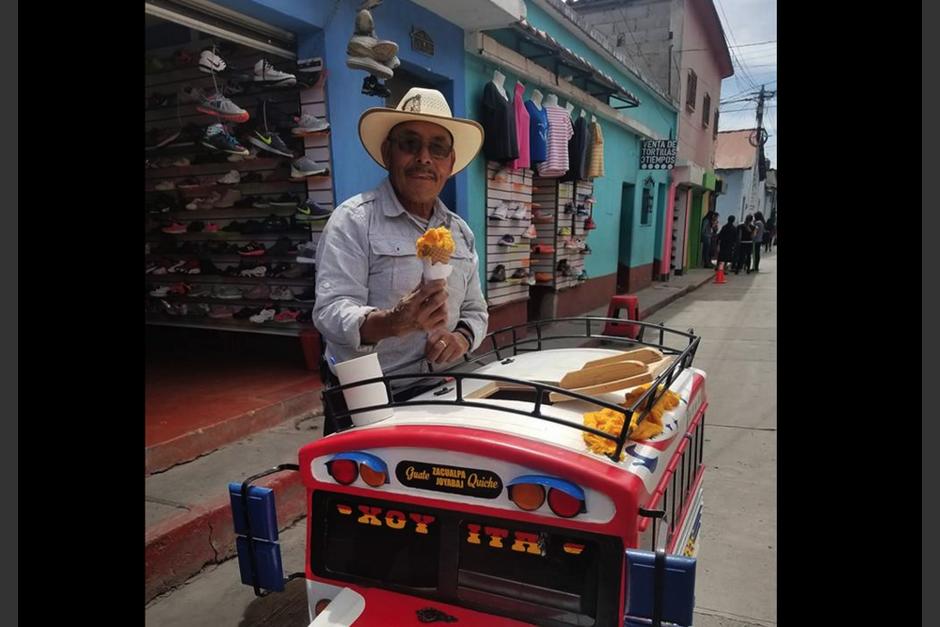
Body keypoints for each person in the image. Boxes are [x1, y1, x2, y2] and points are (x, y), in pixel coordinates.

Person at [313, 88, 488, 432]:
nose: (424, 157)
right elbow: (330, 312)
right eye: (410, 143)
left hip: (441, 392)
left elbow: (475, 310)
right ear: (387, 153)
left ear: (450, 164)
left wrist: (461, 339)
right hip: (370, 398)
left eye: (437, 148)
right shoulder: (354, 220)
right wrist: (392, 322)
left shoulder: (461, 232)